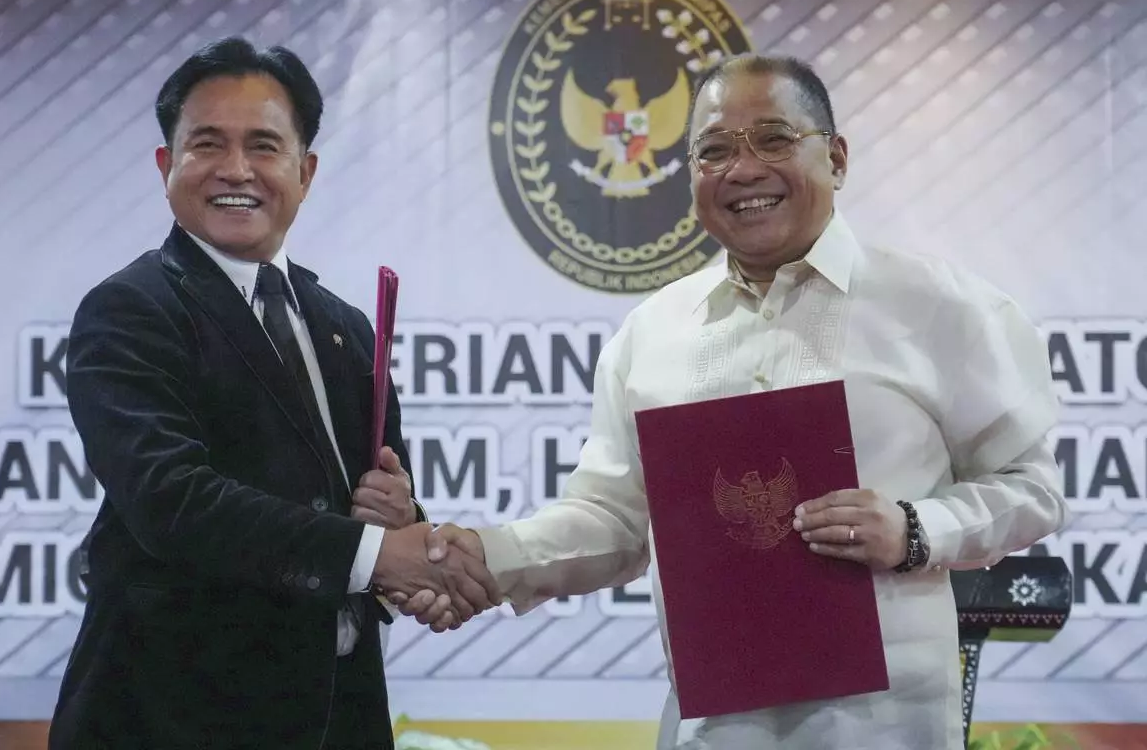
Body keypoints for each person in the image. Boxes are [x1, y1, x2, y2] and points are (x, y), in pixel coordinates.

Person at [390, 54, 1068, 749]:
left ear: (835, 157)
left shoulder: (940, 308)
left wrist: (915, 529)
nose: (743, 171)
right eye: (714, 151)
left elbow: (1033, 488)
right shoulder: (652, 334)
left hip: (886, 729)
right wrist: (480, 557)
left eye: (774, 140)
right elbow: (611, 522)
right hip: (713, 731)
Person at [48, 37, 499, 750]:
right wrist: (381, 555)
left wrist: (405, 526)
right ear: (166, 166)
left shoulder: (343, 327)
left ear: (305, 170)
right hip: (176, 720)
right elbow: (174, 502)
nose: (236, 170)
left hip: (338, 717)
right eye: (207, 144)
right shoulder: (129, 310)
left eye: (263, 145)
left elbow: (368, 514)